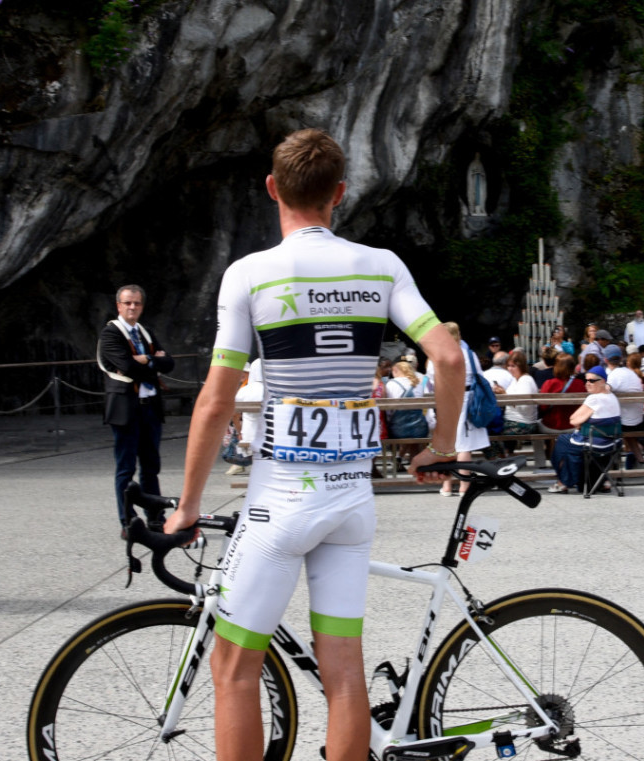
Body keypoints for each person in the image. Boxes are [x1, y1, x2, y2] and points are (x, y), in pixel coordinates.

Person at [162, 128, 465, 761]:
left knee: (233, 669)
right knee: (343, 673)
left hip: (281, 502)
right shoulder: (381, 266)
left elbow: (217, 399)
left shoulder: (251, 275)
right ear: (340, 194)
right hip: (352, 501)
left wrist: (188, 506)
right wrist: (438, 445)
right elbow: (446, 355)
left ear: (273, 189)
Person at [98, 284, 175, 534]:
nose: (132, 307)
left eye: (137, 303)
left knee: (151, 466)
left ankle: (155, 517)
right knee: (126, 467)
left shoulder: (145, 331)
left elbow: (169, 363)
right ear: (118, 305)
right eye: (128, 303)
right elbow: (126, 367)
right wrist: (154, 361)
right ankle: (128, 520)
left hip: (149, 408)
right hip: (126, 408)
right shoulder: (111, 334)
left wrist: (148, 360)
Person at [427, 322, 489, 497]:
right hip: (467, 398)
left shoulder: (437, 354)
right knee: (464, 446)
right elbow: (480, 376)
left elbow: (431, 378)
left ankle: (447, 486)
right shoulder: (468, 354)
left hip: (446, 399)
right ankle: (464, 487)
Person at [547, 365, 622, 493]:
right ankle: (601, 481)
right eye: (586, 380)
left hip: (595, 443)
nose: (587, 383)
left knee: (562, 442)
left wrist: (583, 422)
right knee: (572, 446)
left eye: (592, 380)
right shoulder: (612, 397)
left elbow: (573, 420)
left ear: (602, 381)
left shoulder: (594, 398)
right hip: (613, 443)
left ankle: (563, 481)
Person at [604, 344, 644, 466]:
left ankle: (611, 463)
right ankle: (641, 460)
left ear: (605, 360)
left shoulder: (614, 375)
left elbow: (606, 390)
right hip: (638, 418)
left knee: (599, 424)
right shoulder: (629, 372)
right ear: (621, 358)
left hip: (627, 422)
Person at [499, 350, 539, 455]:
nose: (510, 369)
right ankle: (505, 457)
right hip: (514, 420)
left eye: (513, 366)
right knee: (491, 427)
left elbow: (523, 406)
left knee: (491, 431)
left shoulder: (525, 380)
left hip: (523, 423)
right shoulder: (516, 379)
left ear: (521, 366)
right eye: (508, 366)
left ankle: (501, 459)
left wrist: (504, 395)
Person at [538, 353, 587, 434]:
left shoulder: (549, 383)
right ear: (572, 367)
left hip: (551, 425)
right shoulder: (580, 384)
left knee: (539, 423)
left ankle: (549, 446)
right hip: (573, 425)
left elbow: (543, 407)